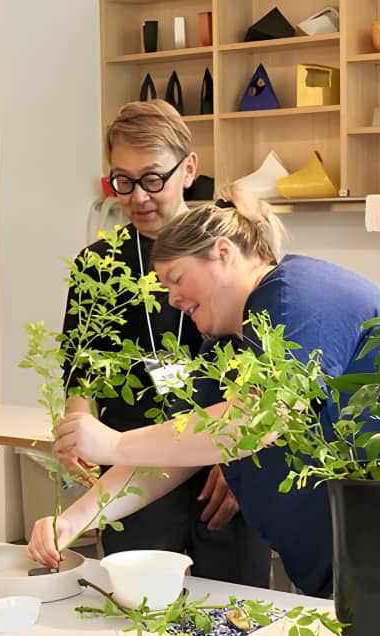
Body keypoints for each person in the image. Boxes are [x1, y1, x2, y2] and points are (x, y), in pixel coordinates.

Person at [29, 185, 380, 601]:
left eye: (177, 280)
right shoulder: (227, 346)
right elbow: (172, 453)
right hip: (341, 572)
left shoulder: (301, 295)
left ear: (223, 253)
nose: (174, 300)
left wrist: (115, 443)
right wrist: (73, 521)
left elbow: (260, 419)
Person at [59, 100, 270, 636]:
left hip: (223, 476)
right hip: (137, 470)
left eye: (152, 177)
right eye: (122, 181)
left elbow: (262, 375)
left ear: (189, 168)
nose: (138, 196)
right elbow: (82, 361)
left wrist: (232, 459)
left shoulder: (231, 249)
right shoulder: (99, 264)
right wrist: (77, 429)